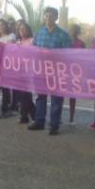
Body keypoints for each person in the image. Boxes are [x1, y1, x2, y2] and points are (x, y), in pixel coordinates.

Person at [29, 7, 71, 135]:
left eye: (51, 16)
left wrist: (53, 55)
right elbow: (33, 50)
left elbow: (68, 54)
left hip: (57, 72)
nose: (48, 19)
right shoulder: (39, 33)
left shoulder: (63, 35)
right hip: (40, 70)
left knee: (56, 99)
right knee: (40, 97)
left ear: (56, 18)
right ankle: (39, 121)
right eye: (46, 16)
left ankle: (54, 125)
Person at [16, 21, 35, 123]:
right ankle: (25, 116)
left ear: (28, 30)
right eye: (20, 29)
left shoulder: (32, 41)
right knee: (22, 94)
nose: (22, 31)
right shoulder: (18, 42)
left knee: (26, 94)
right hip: (19, 70)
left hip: (29, 71)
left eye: (24, 29)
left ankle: (31, 114)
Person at [68, 24, 86, 124]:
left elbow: (84, 57)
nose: (73, 32)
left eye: (75, 30)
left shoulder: (81, 43)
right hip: (64, 70)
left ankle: (71, 117)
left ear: (78, 31)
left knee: (72, 95)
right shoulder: (66, 41)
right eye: (72, 29)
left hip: (75, 72)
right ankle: (58, 116)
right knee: (60, 95)